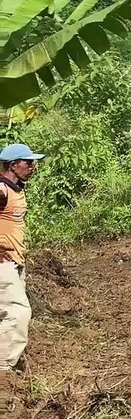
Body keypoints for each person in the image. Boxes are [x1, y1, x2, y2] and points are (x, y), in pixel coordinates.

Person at [1, 143, 44, 374]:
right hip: (3, 264)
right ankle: (3, 369)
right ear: (13, 165)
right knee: (18, 312)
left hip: (15, 261)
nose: (31, 166)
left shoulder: (16, 189)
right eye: (27, 162)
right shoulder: (1, 190)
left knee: (6, 313)